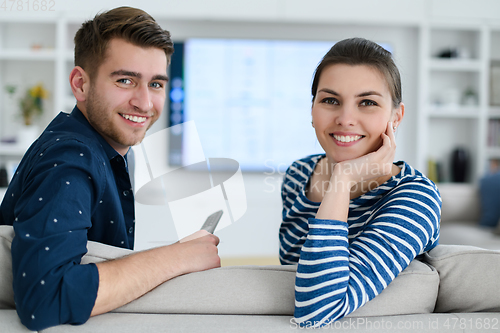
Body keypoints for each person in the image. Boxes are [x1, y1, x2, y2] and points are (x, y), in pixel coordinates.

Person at [0, 7, 220, 331]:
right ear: (81, 84)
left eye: (156, 84)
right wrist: (179, 258)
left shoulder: (105, 149)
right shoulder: (70, 159)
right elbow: (45, 299)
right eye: (126, 80)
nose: (145, 103)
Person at [279, 38, 441, 327]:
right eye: (330, 100)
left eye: (367, 102)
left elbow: (317, 310)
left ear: (396, 117)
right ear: (312, 109)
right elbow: (287, 281)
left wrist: (342, 178)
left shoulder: (416, 197)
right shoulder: (299, 174)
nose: (345, 118)